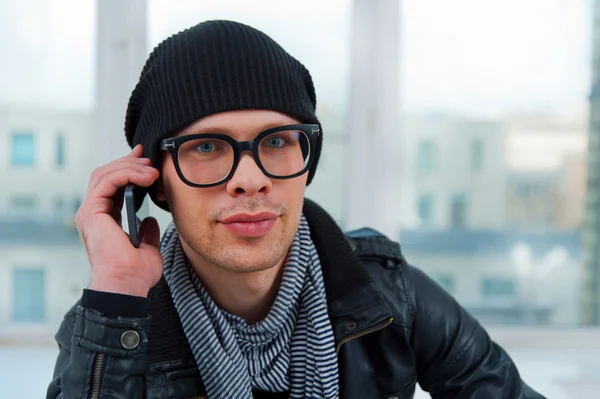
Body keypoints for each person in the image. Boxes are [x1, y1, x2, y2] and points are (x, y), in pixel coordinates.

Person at [46, 20, 545, 399]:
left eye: (278, 140)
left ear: (307, 164)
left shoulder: (389, 293)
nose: (249, 179)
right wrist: (118, 289)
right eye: (206, 147)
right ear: (155, 182)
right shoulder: (115, 323)